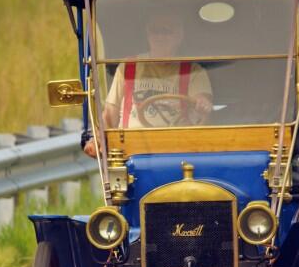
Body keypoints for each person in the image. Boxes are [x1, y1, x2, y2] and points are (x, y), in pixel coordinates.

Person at [82, 11, 213, 158]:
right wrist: (98, 139)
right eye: (155, 31)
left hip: (177, 148)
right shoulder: (128, 66)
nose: (160, 37)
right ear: (148, 34)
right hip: (130, 149)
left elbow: (202, 100)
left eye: (166, 31)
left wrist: (202, 103)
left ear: (179, 36)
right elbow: (109, 114)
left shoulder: (193, 70)